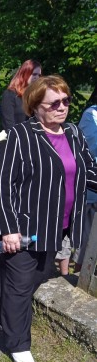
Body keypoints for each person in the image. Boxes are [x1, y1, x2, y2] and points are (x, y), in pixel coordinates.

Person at [0, 75, 97, 362]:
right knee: (20, 283)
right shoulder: (20, 135)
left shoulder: (73, 133)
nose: (62, 107)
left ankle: (2, 317)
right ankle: (18, 343)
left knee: (36, 277)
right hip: (24, 226)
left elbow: (88, 171)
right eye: (54, 103)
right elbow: (2, 184)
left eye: (66, 101)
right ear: (35, 106)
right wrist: (9, 228)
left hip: (56, 226)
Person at [74, 88, 97, 270]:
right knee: (87, 240)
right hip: (91, 189)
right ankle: (79, 276)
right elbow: (87, 149)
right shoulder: (92, 115)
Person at [0, 59, 42, 131]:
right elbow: (8, 125)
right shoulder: (10, 95)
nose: (37, 78)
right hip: (18, 135)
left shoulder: (37, 95)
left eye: (39, 75)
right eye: (34, 74)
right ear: (25, 74)